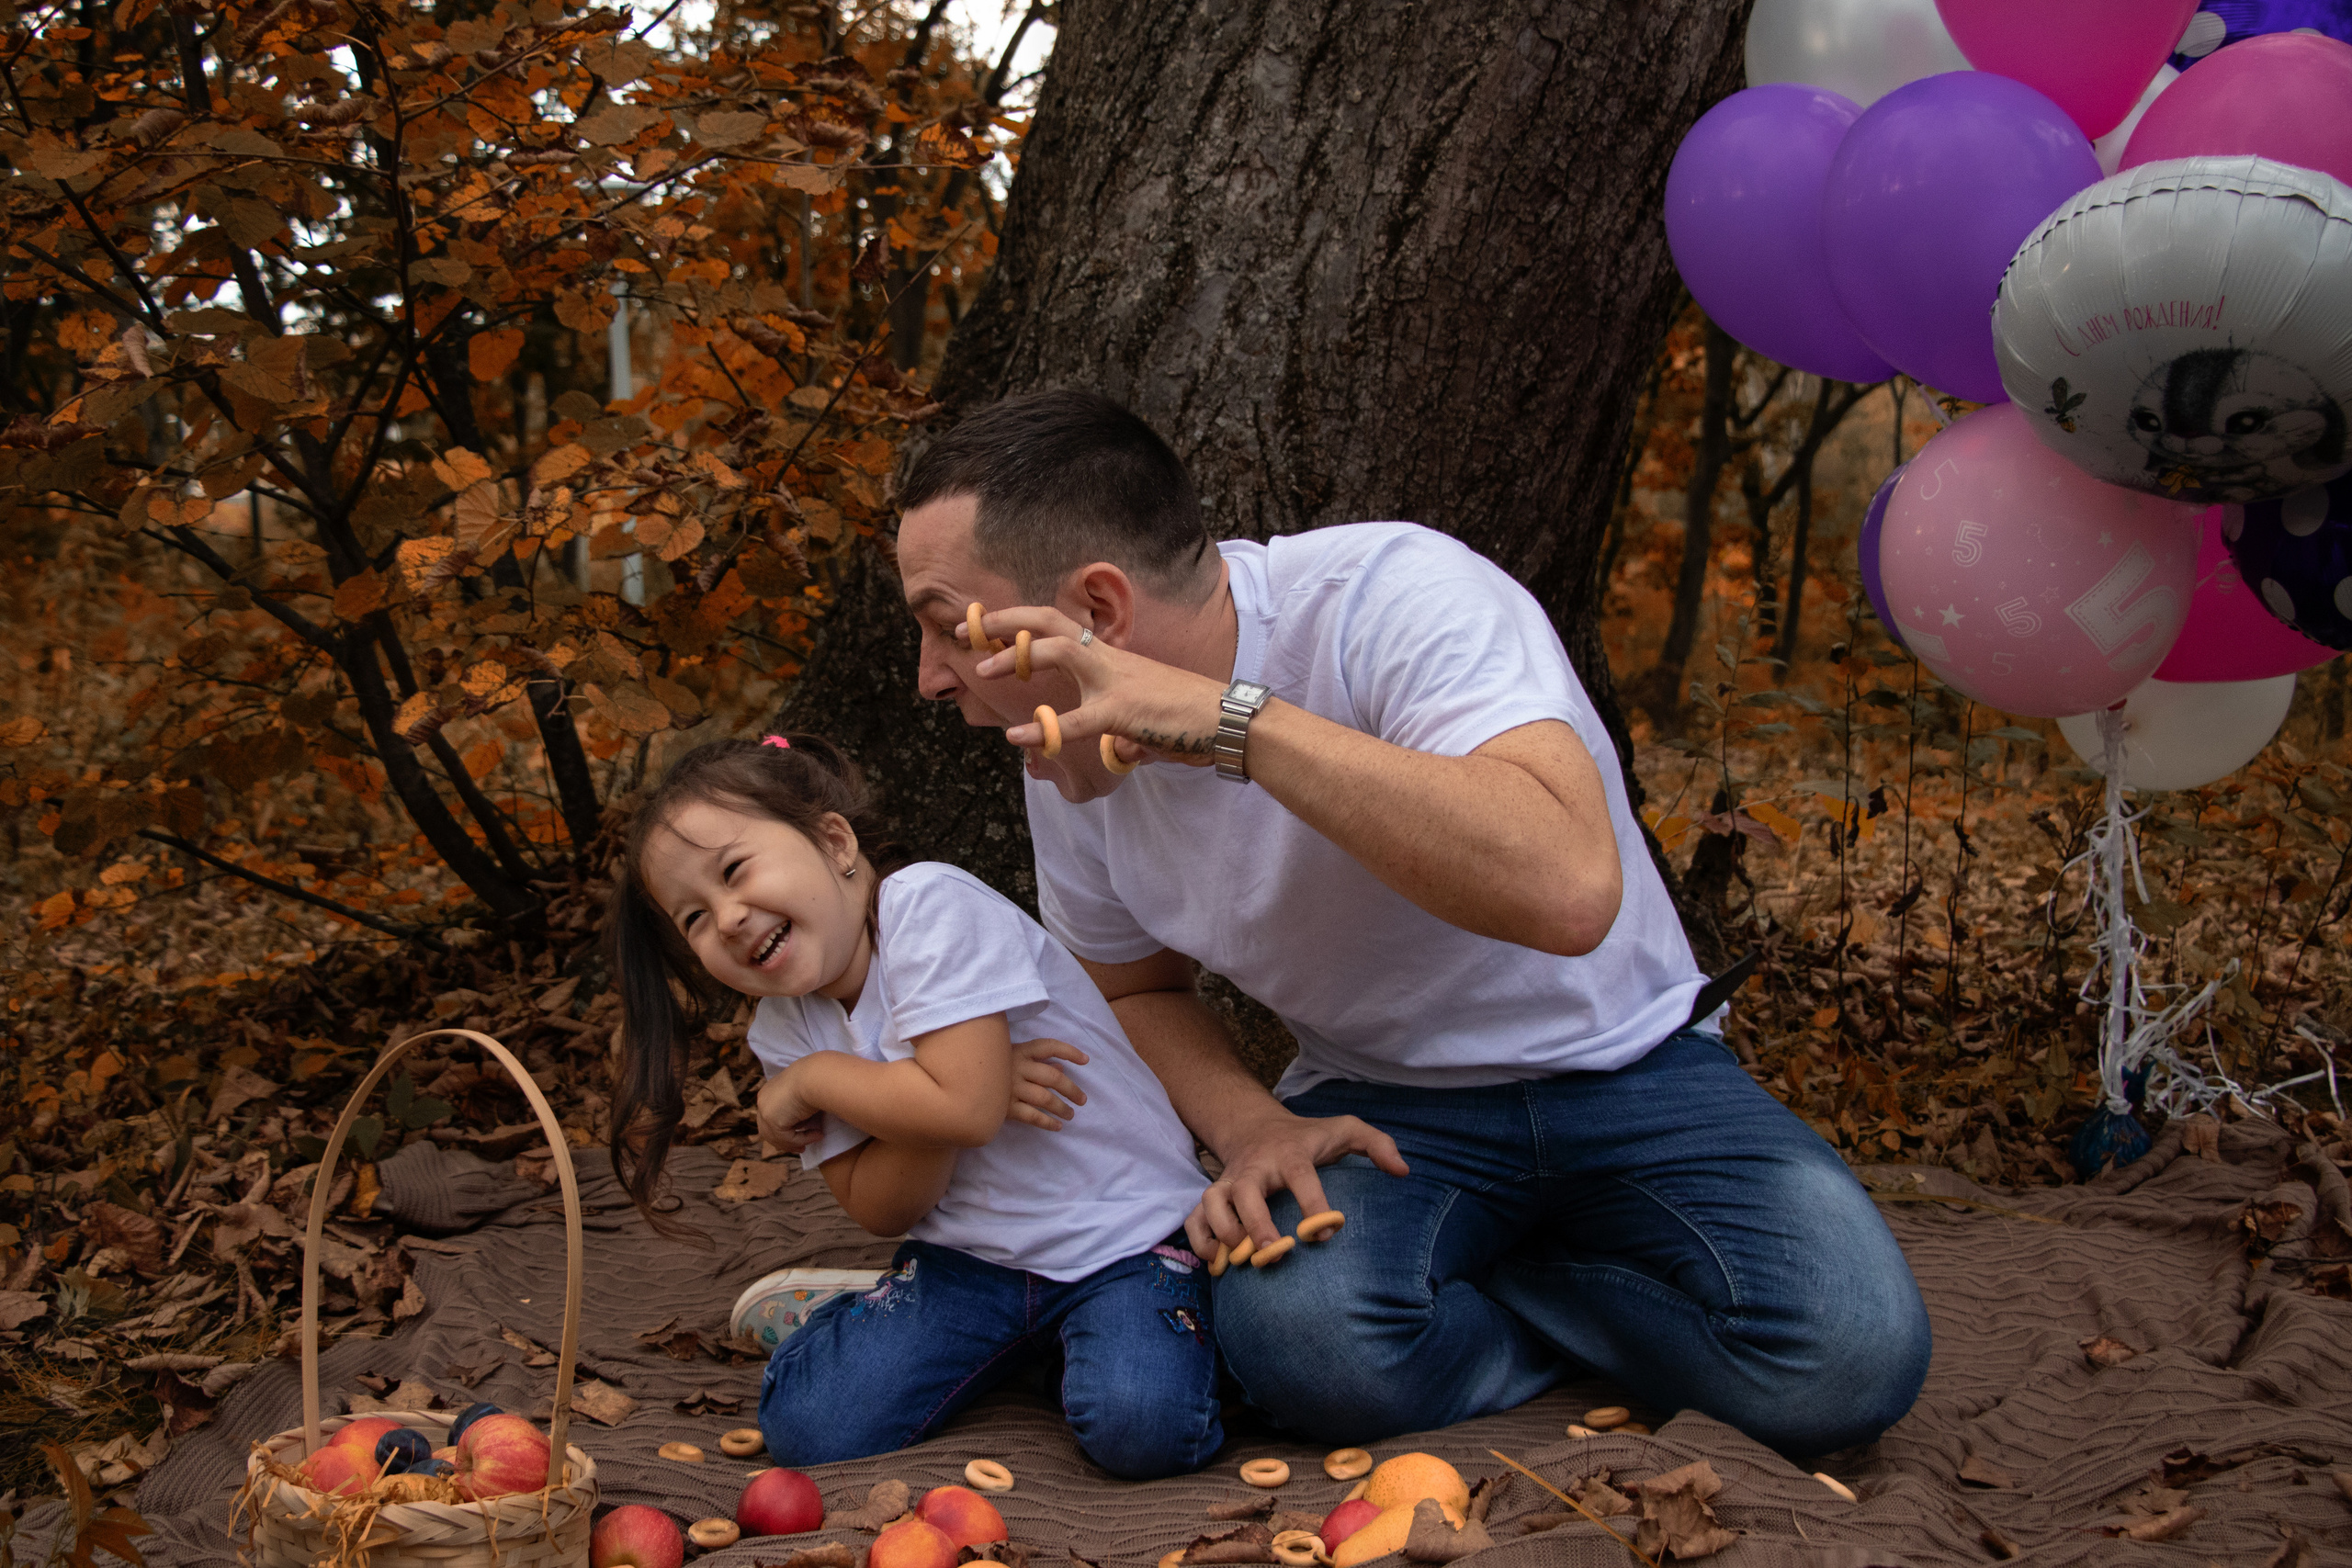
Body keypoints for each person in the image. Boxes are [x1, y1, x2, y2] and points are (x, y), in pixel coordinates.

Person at [889, 389, 1932, 1456]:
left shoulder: (1391, 594)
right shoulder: (1062, 755)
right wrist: (1251, 1129)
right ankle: (1540, 1309)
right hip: (1385, 1110)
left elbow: (1567, 888)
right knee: (1300, 1343)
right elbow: (1134, 985)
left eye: (944, 628)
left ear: (1096, 614)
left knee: (1846, 1360)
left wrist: (1226, 724)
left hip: (1634, 1066)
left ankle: (1484, 1287)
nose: (929, 679)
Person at [605, 733, 1223, 1478]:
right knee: (809, 1427)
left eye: (735, 871)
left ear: (835, 841)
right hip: (968, 1263)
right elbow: (883, 1205)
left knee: (1143, 1427)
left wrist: (825, 1081)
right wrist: (945, 1092)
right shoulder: (783, 1027)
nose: (729, 916)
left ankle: (1068, 1341)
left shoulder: (925, 906)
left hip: (1123, 1235)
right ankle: (881, 1324)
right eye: (693, 918)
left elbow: (961, 1108)